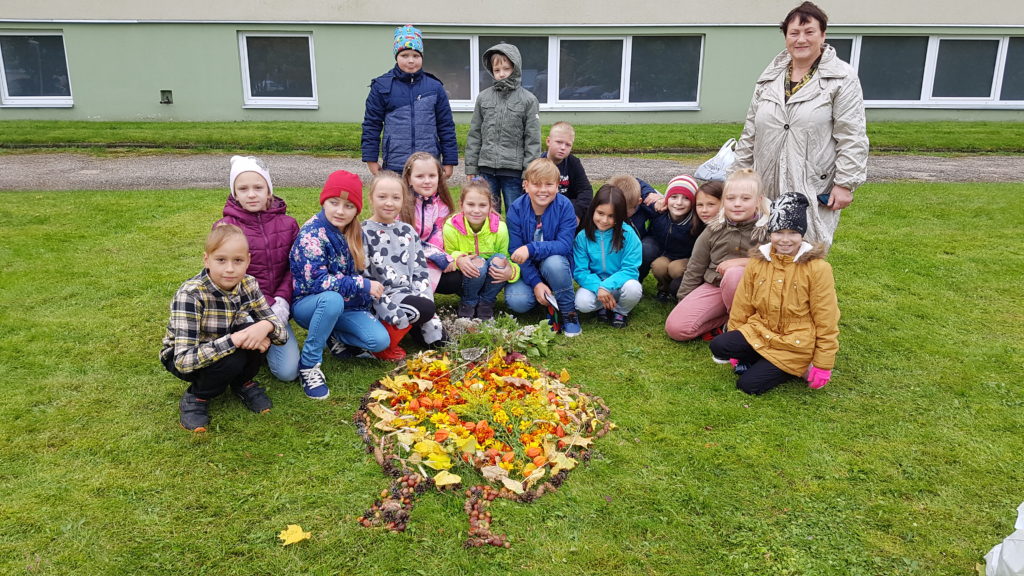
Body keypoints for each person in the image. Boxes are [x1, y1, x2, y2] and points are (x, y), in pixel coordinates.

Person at [733, 1, 868, 248]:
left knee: (805, 253)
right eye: (794, 33)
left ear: (823, 35)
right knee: (761, 252)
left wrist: (845, 184)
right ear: (786, 37)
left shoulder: (841, 78)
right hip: (765, 182)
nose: (801, 39)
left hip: (811, 183)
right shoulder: (770, 78)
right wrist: (737, 177)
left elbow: (852, 135)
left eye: (809, 32)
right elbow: (750, 132)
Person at [710, 193, 840, 394]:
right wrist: (736, 339)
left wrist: (823, 363)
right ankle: (762, 357)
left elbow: (826, 317)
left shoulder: (818, 269)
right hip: (761, 331)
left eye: (793, 233)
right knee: (720, 345)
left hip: (794, 343)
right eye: (779, 232)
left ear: (802, 234)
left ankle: (798, 366)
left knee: (748, 385)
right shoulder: (757, 262)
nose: (785, 240)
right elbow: (743, 305)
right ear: (770, 232)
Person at [161, 224, 287, 432]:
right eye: (221, 260)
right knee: (233, 358)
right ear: (207, 260)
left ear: (248, 260)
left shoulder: (249, 284)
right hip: (185, 355)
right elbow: (183, 361)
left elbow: (281, 335)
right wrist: (235, 340)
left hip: (225, 340)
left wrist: (266, 326)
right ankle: (197, 396)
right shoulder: (191, 295)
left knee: (258, 335)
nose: (230, 269)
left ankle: (242, 382)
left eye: (238, 260)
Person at [289, 170, 389, 399]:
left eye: (348, 206)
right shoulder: (312, 235)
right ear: (324, 201)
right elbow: (318, 282)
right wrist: (362, 284)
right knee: (332, 300)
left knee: (379, 341)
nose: (340, 211)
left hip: (347, 305)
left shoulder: (355, 232)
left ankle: (333, 336)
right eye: (334, 203)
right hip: (310, 304)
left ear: (356, 210)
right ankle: (309, 365)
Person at [214, 155, 299, 382]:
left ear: (269, 190)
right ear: (234, 193)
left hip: (278, 307)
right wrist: (261, 307)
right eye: (243, 189)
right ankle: (249, 343)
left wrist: (281, 301)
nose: (251, 194)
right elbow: (224, 277)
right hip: (241, 310)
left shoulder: (289, 224)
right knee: (236, 360)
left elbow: (294, 268)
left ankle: (265, 341)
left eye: (258, 187)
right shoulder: (225, 227)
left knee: (288, 372)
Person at [665, 169, 770, 342]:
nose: (737, 204)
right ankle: (729, 320)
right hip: (716, 286)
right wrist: (683, 301)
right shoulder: (713, 229)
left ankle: (739, 326)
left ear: (758, 200)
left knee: (734, 273)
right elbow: (695, 267)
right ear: (723, 201)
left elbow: (785, 262)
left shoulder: (769, 229)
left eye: (745, 199)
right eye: (731, 198)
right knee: (676, 328)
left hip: (756, 292)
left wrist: (745, 262)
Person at [363, 171, 445, 360]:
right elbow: (364, 277)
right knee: (423, 310)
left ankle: (414, 322)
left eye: (395, 198)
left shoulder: (407, 231)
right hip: (380, 298)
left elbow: (420, 273)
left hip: (407, 295)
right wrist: (387, 308)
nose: (389, 203)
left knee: (438, 340)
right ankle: (383, 342)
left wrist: (425, 303)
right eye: (382, 197)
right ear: (371, 198)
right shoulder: (362, 232)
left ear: (403, 200)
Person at [361, 25, 458, 178]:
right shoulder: (382, 86)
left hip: (428, 165)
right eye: (405, 55)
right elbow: (371, 125)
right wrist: (371, 160)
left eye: (416, 55)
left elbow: (446, 126)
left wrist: (449, 161)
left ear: (422, 57)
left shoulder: (435, 87)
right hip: (395, 165)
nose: (411, 60)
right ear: (396, 57)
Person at [505, 158, 581, 336]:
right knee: (517, 301)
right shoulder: (516, 209)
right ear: (526, 185)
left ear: (557, 186)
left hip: (556, 265)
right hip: (528, 269)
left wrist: (531, 249)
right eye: (536, 184)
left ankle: (569, 312)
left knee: (554, 263)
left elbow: (564, 245)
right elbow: (515, 251)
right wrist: (536, 283)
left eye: (549, 184)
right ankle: (546, 300)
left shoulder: (565, 206)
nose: (543, 190)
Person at [465, 42, 542, 213]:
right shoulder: (483, 98)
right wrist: (471, 167)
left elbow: (532, 140)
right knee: (487, 213)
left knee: (516, 213)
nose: (501, 74)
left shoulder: (528, 100)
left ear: (515, 68)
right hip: (486, 169)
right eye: (497, 70)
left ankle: (515, 233)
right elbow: (475, 134)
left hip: (513, 172)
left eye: (506, 69)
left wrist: (528, 173)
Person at [442, 179, 519, 320]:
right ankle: (468, 302)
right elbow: (447, 254)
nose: (476, 210)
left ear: (490, 207)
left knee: (500, 260)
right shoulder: (450, 227)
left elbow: (507, 259)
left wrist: (511, 272)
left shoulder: (500, 229)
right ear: (461, 205)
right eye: (470, 204)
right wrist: (459, 259)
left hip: (490, 279)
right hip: (467, 279)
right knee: (478, 263)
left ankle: (486, 303)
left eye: (482, 205)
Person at [573, 185, 643, 328]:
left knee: (634, 288)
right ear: (593, 210)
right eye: (600, 213)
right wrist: (599, 287)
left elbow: (630, 269)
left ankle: (621, 312)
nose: (604, 220)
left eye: (611, 216)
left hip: (620, 286)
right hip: (595, 287)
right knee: (582, 303)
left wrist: (606, 286)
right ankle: (602, 306)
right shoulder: (582, 237)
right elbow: (580, 271)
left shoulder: (629, 235)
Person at [401, 152, 461, 294]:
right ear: (409, 179)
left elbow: (439, 236)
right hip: (403, 259)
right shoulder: (400, 203)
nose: (427, 181)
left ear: (439, 178)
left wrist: (439, 258)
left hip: (430, 259)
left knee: (455, 279)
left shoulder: (443, 206)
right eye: (420, 176)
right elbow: (402, 240)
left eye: (432, 176)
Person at [666, 180, 724, 297]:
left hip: (723, 277)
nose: (704, 210)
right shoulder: (698, 224)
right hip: (705, 273)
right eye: (700, 205)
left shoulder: (727, 228)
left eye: (711, 204)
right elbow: (697, 265)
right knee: (676, 285)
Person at [648, 175, 700, 302]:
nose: (679, 202)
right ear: (666, 199)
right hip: (666, 255)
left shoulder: (697, 221)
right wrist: (658, 198)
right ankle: (663, 289)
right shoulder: (660, 214)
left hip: (687, 259)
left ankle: (680, 289)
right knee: (659, 266)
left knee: (675, 268)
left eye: (686, 198)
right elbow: (639, 189)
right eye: (674, 197)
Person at [607, 173, 664, 281]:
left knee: (648, 249)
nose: (621, 215)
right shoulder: (608, 203)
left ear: (638, 202)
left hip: (640, 241)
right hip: (617, 243)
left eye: (626, 212)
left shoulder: (643, 204)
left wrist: (659, 200)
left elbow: (660, 208)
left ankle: (636, 279)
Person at [542, 121, 593, 225]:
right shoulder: (538, 164)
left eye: (568, 145)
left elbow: (586, 191)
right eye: (559, 142)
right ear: (548, 141)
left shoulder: (573, 163)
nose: (563, 147)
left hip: (568, 210)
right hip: (544, 209)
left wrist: (577, 214)